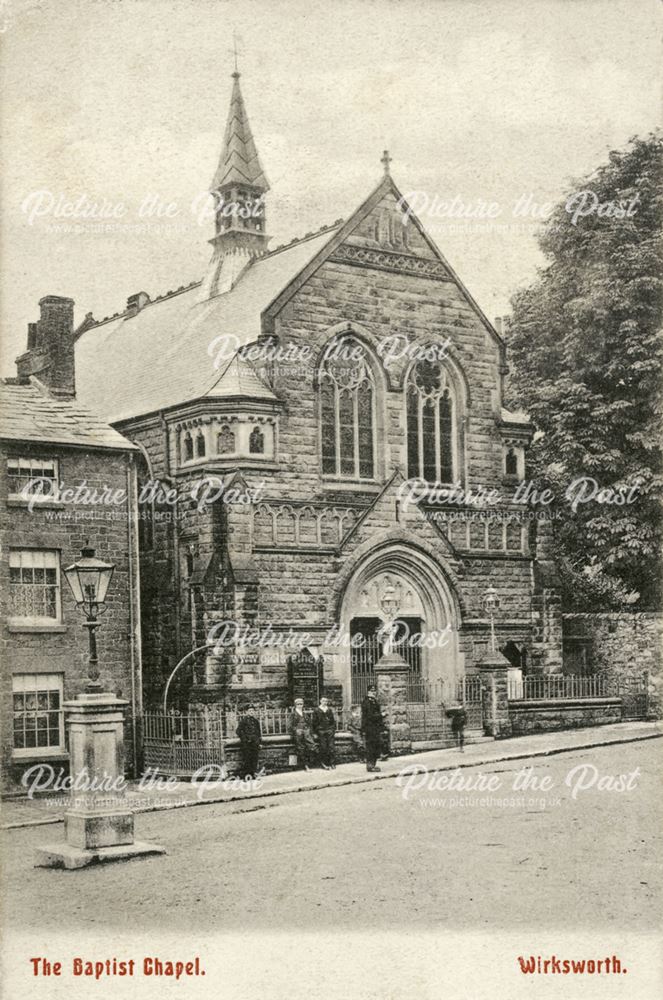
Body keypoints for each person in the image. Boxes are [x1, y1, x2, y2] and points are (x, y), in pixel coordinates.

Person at [360, 685, 385, 772]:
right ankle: (370, 766)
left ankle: (373, 765)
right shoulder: (367, 702)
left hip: (375, 728)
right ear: (368, 692)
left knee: (375, 746)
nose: (373, 692)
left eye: (374, 691)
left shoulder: (374, 701)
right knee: (371, 747)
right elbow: (370, 716)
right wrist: (381, 715)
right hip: (369, 728)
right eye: (372, 691)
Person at [236, 703, 262, 778]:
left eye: (252, 711)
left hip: (255, 743)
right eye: (250, 711)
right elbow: (238, 731)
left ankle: (253, 774)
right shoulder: (243, 721)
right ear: (247, 712)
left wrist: (259, 742)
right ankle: (247, 775)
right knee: (247, 759)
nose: (251, 712)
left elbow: (258, 733)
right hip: (247, 744)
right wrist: (245, 739)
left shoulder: (256, 721)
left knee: (254, 759)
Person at [290, 697, 316, 771]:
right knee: (301, 749)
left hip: (306, 734)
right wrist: (296, 730)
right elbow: (290, 725)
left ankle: (309, 764)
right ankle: (304, 766)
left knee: (310, 747)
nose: (300, 705)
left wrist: (310, 732)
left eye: (301, 704)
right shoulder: (293, 714)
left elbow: (310, 724)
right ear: (295, 705)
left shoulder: (304, 714)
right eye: (298, 704)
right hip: (298, 735)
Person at [311, 696, 337, 769]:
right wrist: (316, 732)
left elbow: (332, 721)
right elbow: (314, 722)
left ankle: (332, 763)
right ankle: (324, 763)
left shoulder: (329, 710)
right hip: (321, 731)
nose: (325, 702)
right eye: (323, 701)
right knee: (323, 747)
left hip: (329, 730)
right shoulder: (316, 710)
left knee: (331, 747)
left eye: (326, 701)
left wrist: (332, 730)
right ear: (320, 701)